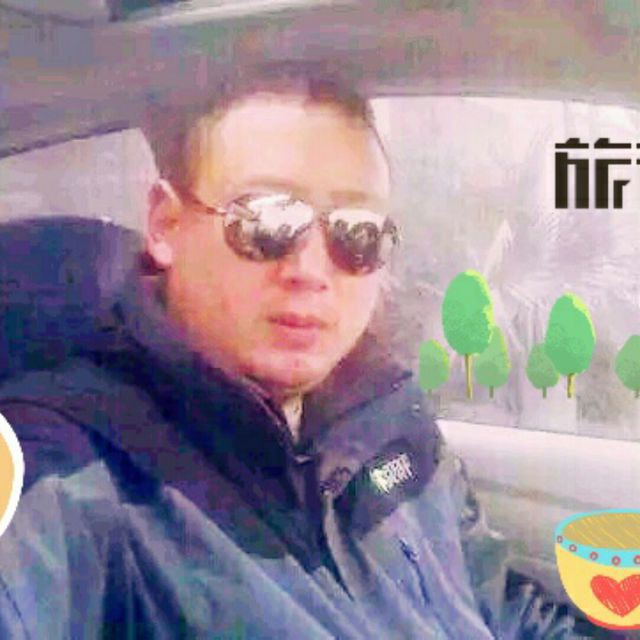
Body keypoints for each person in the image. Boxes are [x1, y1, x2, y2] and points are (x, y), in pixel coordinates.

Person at [0, 63, 586, 639]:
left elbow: (503, 610)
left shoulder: (387, 415)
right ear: (166, 224)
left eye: (356, 232)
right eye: (267, 221)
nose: (311, 269)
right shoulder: (67, 469)